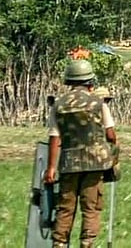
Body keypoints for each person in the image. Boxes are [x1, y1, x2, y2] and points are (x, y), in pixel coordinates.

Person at [44, 60, 117, 248]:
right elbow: (110, 134)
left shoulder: (58, 105)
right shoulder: (99, 103)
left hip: (69, 163)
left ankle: (59, 244)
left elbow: (55, 138)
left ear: (68, 81)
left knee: (65, 208)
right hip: (96, 163)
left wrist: (51, 168)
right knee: (91, 207)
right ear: (90, 82)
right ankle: (87, 244)